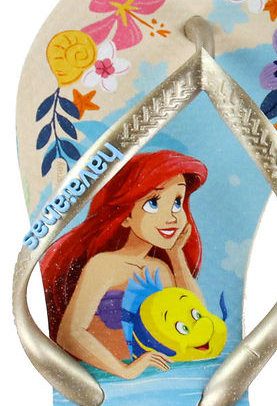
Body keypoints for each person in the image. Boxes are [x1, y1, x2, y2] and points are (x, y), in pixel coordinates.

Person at [41, 150, 207, 379]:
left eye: (177, 202)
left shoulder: (160, 269)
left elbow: (198, 321)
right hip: (106, 376)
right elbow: (69, 334)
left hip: (151, 375)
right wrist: (126, 371)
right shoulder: (104, 265)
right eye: (153, 203)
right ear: (125, 216)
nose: (171, 217)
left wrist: (176, 256)